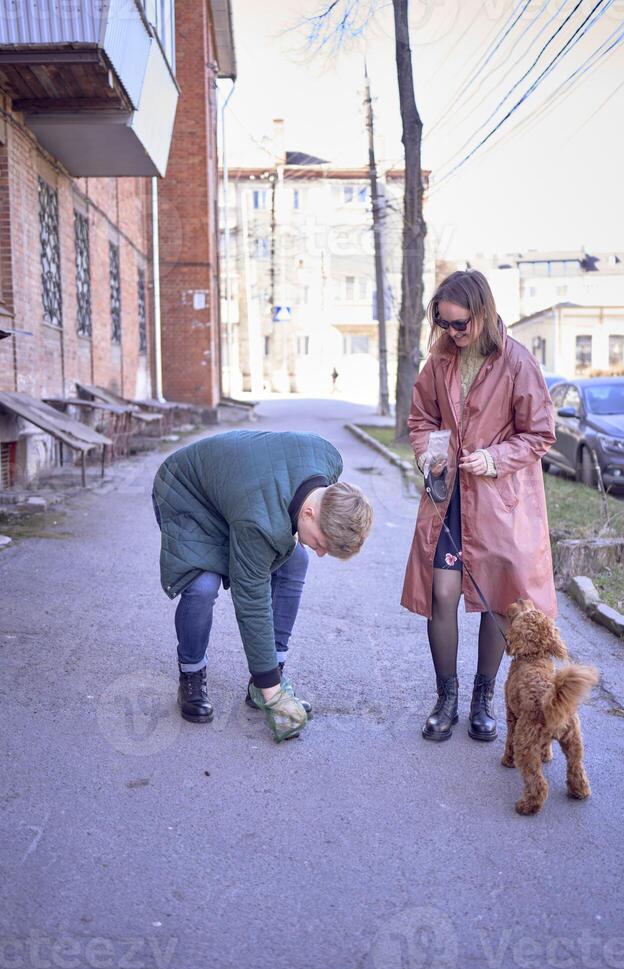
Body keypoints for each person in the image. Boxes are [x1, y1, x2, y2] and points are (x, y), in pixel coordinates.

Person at [401, 269, 556, 743]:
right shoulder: (440, 361)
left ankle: (482, 699)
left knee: (498, 600)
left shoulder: (517, 362)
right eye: (444, 324)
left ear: (483, 313)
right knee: (442, 594)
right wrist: (433, 454)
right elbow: (422, 418)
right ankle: (445, 697)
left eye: (460, 324)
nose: (452, 333)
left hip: (500, 503)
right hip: (449, 499)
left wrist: (495, 458)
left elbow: (540, 433)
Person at [152, 429, 373, 742]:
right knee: (203, 586)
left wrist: (267, 680)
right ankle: (191, 674)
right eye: (322, 543)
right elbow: (251, 602)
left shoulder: (328, 459)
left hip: (237, 493)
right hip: (187, 492)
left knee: (298, 560)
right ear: (309, 513)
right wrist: (275, 698)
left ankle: (270, 674)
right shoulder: (259, 522)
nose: (322, 552)